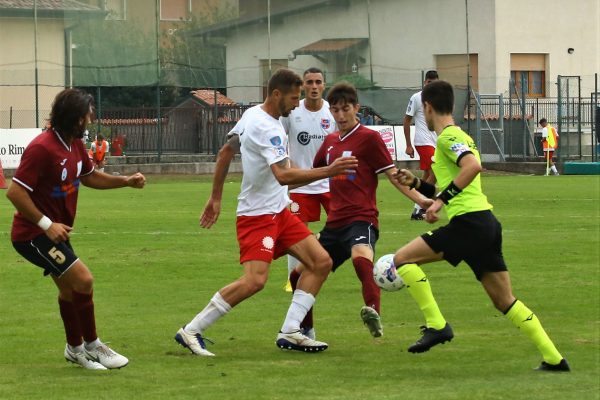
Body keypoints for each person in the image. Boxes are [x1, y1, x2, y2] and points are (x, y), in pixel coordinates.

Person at [174, 69, 358, 356]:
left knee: (321, 261)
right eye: (293, 97)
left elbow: (225, 152)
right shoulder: (268, 128)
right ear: (276, 95)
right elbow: (284, 176)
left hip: (279, 212)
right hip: (257, 216)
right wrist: (329, 171)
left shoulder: (253, 114)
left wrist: (215, 198)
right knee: (255, 280)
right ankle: (192, 329)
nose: (297, 104)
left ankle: (291, 331)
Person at [389, 80, 569, 371]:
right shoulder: (457, 136)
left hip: (469, 225)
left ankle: (437, 325)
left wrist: (440, 202)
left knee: (401, 260)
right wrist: (417, 184)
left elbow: (472, 167)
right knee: (504, 300)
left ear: (427, 107)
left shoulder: (447, 137)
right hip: (484, 224)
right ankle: (554, 358)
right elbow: (453, 185)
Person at [6, 88, 146, 370]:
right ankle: (94, 346)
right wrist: (47, 224)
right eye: (88, 113)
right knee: (83, 281)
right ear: (76, 117)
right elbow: (14, 192)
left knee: (69, 292)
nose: (92, 117)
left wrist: (125, 181)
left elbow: (90, 177)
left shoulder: (74, 143)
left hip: (56, 233)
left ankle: (75, 349)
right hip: (32, 235)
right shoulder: (42, 147)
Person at [289, 82, 431, 339]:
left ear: (356, 108)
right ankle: (306, 330)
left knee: (360, 257)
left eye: (345, 109)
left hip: (361, 218)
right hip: (334, 224)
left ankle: (373, 313)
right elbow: (314, 172)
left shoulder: (369, 138)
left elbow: (392, 175)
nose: (340, 116)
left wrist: (421, 200)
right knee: (296, 273)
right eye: (335, 110)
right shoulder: (331, 141)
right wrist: (281, 184)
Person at [281, 67, 337, 294]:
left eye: (318, 82)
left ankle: (322, 266)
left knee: (343, 227)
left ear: (324, 85)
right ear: (303, 86)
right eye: (310, 82)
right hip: (301, 184)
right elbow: (280, 146)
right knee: (294, 233)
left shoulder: (332, 113)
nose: (314, 86)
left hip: (329, 183)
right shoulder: (292, 113)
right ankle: (291, 279)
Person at [404, 70, 439, 220]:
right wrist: (408, 145)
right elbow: (407, 120)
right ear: (425, 83)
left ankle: (416, 210)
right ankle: (420, 208)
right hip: (423, 142)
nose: (431, 85)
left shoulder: (439, 98)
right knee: (435, 172)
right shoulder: (417, 97)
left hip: (436, 142)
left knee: (426, 176)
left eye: (434, 82)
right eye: (429, 82)